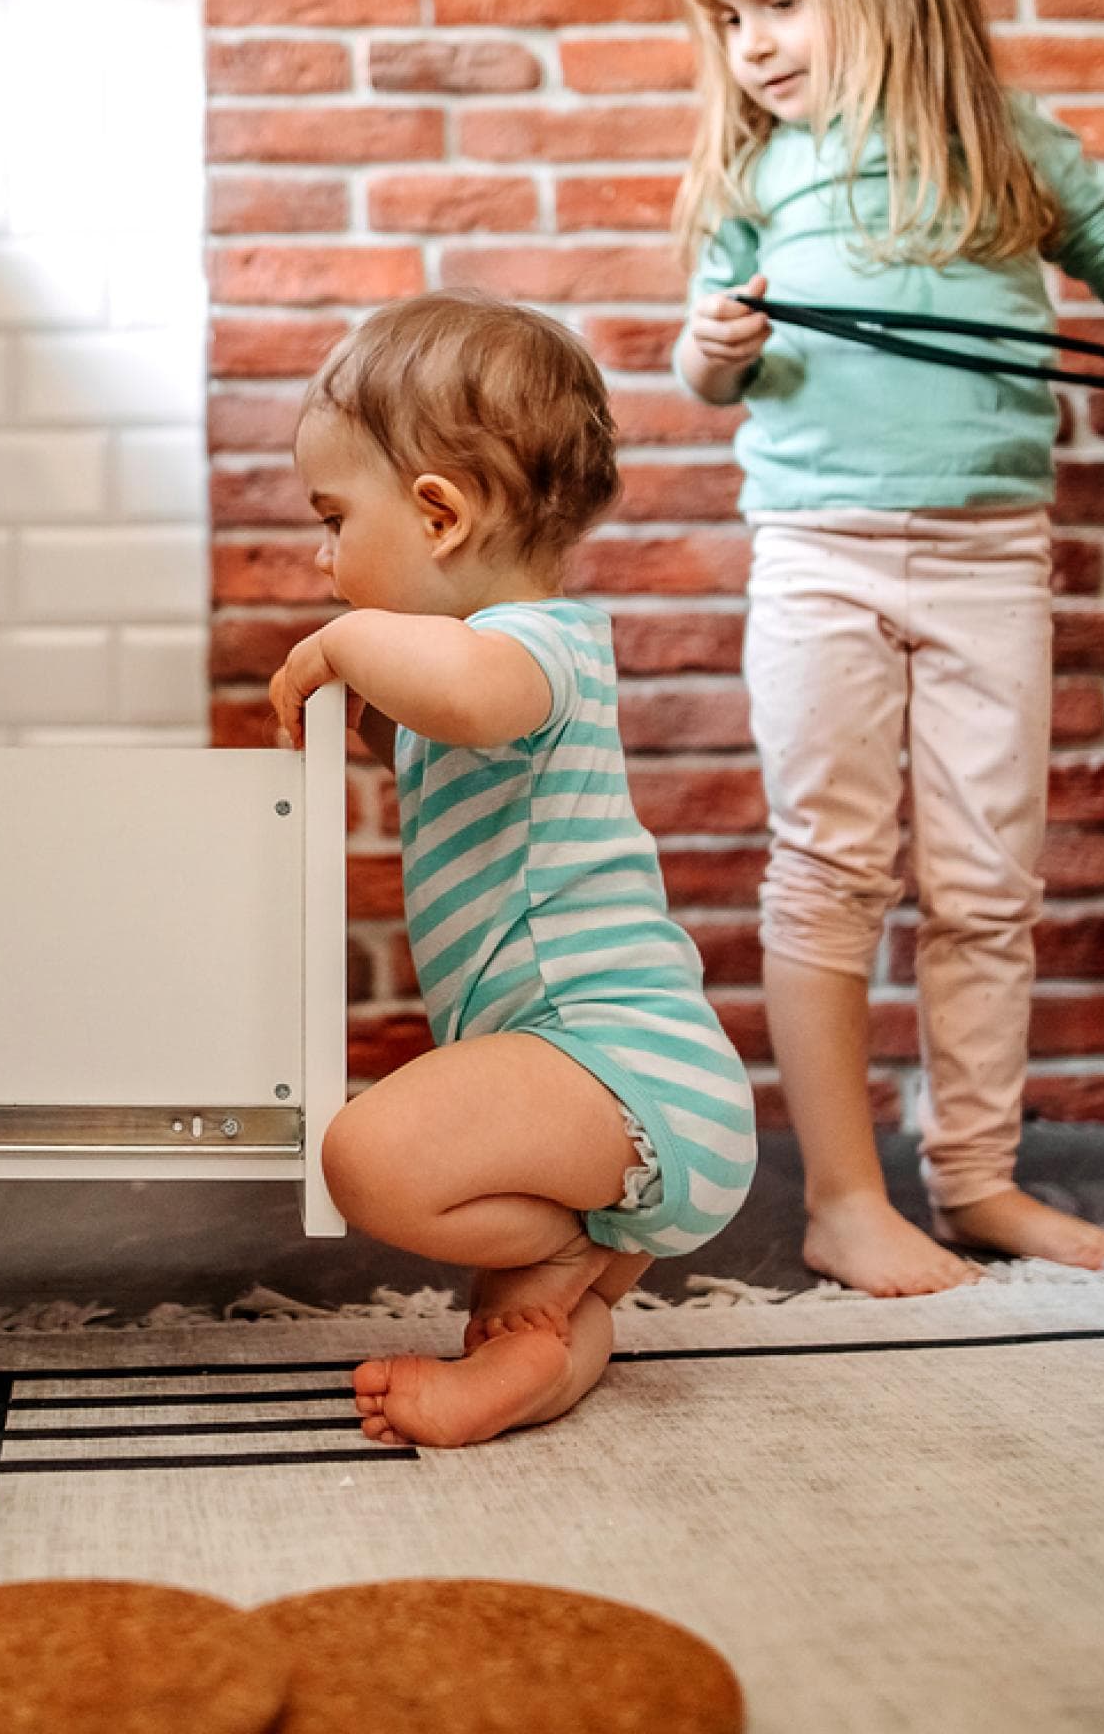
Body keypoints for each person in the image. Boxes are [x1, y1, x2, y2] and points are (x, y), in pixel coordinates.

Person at [672, 0, 1104, 1295]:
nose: (754, 46)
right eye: (729, 18)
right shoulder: (762, 174)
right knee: (828, 869)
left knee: (988, 885)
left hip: (990, 556)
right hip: (816, 554)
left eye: (782, 1)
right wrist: (714, 340)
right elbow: (705, 363)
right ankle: (845, 1203)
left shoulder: (1001, 138)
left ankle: (974, 1178)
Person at [269, 291, 757, 1446]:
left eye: (334, 517)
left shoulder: (538, 645)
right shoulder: (466, 677)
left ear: (438, 516)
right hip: (596, 1094)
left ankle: (582, 1239)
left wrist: (345, 643)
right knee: (515, 1314)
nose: (319, 550)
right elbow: (453, 716)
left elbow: (476, 696)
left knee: (366, 1153)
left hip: (620, 1066)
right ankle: (542, 1356)